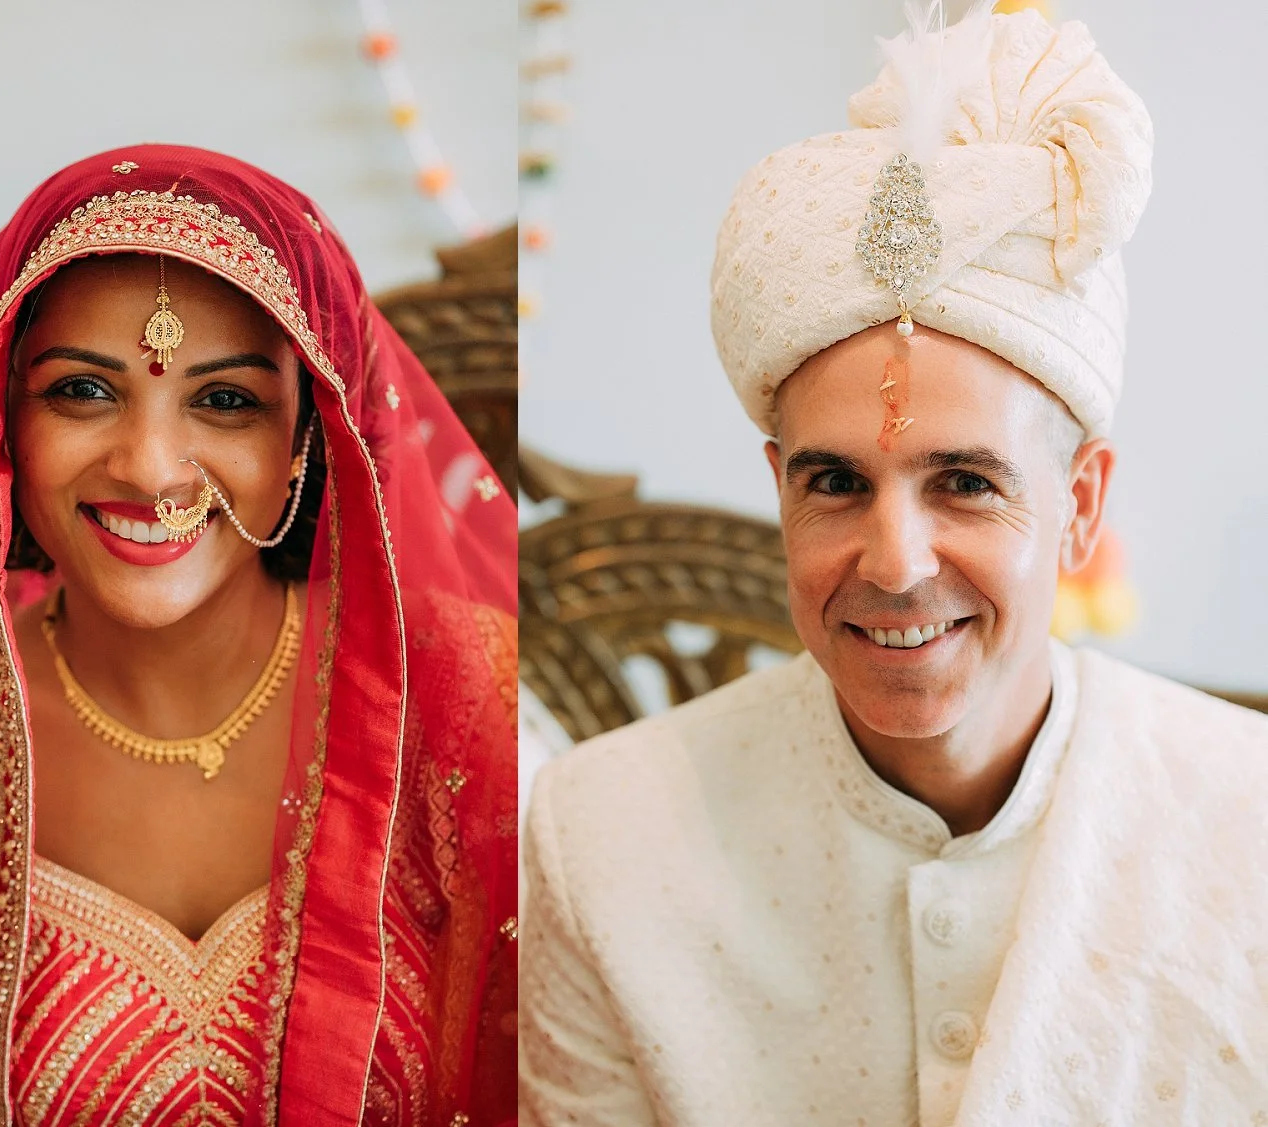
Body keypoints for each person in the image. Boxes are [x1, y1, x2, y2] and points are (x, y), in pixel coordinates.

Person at [519, 7, 1268, 1124]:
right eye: (836, 482)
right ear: (779, 486)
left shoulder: (1246, 816)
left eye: (964, 481)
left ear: (1080, 504)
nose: (896, 558)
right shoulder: (604, 834)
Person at [0, 146, 517, 1126]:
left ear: (305, 443)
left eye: (225, 400)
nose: (152, 467)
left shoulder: (460, 692)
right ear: (3, 424)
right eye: (83, 390)